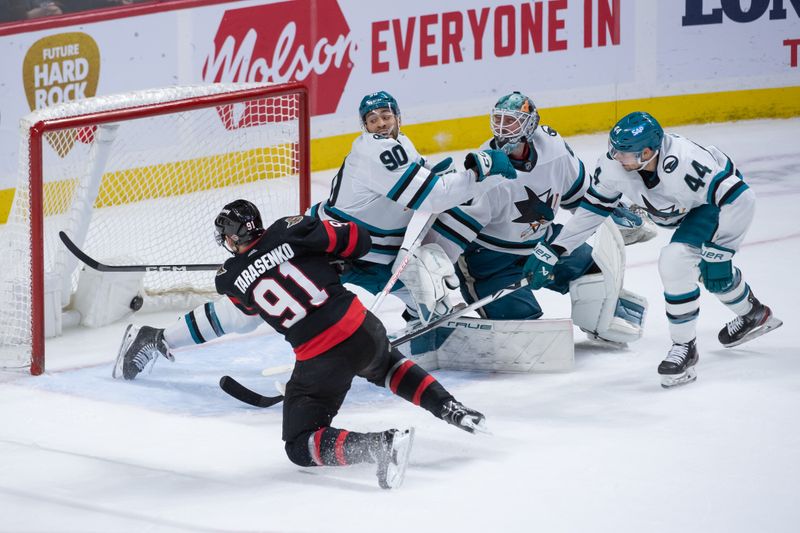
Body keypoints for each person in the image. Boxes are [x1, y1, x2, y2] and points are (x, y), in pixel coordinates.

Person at [115, 199, 487, 489]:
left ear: (230, 239)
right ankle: (452, 408)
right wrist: (329, 254)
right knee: (388, 365)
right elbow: (360, 240)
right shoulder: (291, 228)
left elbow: (246, 313)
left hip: (321, 358)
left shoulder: (229, 278)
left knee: (299, 443)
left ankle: (379, 446)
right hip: (363, 328)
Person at [523, 111, 783, 387]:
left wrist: (721, 250)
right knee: (708, 273)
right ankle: (754, 313)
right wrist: (555, 249)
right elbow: (593, 211)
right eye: (614, 149)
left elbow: (741, 198)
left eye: (624, 152)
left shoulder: (686, 162)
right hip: (686, 209)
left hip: (712, 206)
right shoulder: (615, 164)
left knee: (676, 262)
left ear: (647, 152)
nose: (615, 157)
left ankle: (685, 348)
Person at [427, 92, 646, 344]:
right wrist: (433, 288)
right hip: (490, 262)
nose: (502, 128)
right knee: (523, 335)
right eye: (498, 120)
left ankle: (597, 324)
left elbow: (582, 197)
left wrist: (617, 210)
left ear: (530, 123)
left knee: (595, 274)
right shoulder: (483, 172)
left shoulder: (552, 147)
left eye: (511, 121)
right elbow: (451, 238)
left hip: (543, 242)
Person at [310, 90, 518, 322]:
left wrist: (450, 178)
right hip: (345, 249)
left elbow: (429, 181)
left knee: (425, 299)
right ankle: (422, 312)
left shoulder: (401, 143)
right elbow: (435, 196)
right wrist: (479, 173)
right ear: (365, 126)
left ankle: (421, 314)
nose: (380, 123)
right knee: (313, 313)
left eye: (386, 116)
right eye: (372, 119)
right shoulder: (377, 149)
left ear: (398, 118)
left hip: (369, 245)